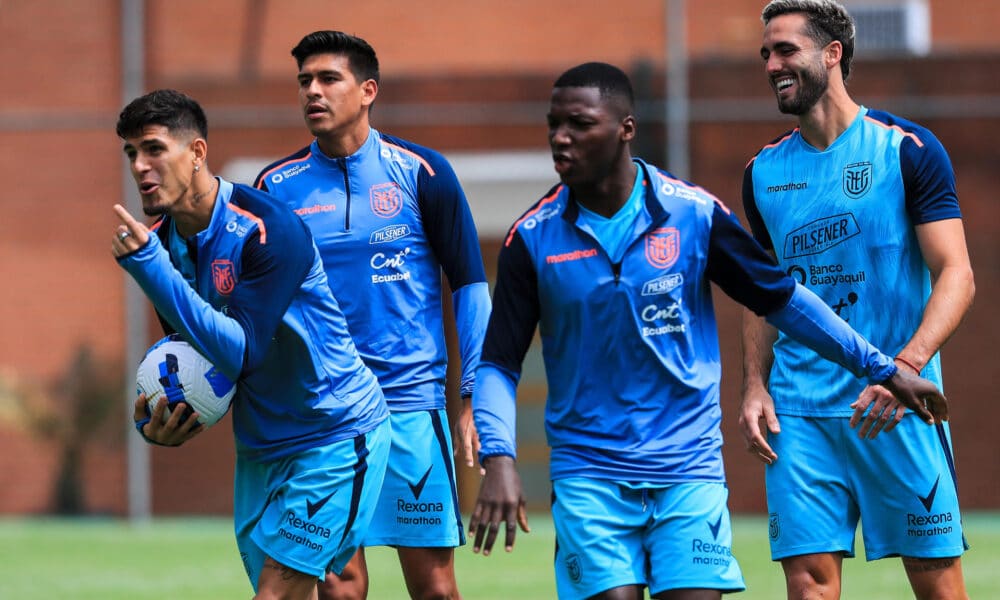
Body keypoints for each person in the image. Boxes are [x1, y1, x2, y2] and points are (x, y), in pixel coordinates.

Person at [468, 61, 950, 600]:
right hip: (590, 475)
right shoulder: (530, 239)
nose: (561, 138)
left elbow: (784, 300)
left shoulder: (694, 216)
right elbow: (498, 364)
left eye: (579, 124)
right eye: (553, 123)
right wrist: (500, 458)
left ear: (625, 128)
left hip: (688, 471)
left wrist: (884, 368)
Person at [112, 89, 391, 600]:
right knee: (329, 592)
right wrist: (162, 421)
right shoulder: (162, 246)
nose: (140, 166)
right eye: (131, 153)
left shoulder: (268, 229)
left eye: (153, 148)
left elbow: (241, 351)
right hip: (261, 450)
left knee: (275, 595)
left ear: (196, 153)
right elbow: (198, 358)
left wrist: (149, 268)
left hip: (334, 432)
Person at [740, 1, 976, 598]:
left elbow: (957, 274)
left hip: (897, 401)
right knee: (810, 586)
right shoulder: (763, 172)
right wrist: (754, 385)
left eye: (786, 50)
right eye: (766, 53)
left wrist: (907, 366)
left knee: (939, 587)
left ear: (832, 53)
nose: (772, 64)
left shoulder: (908, 150)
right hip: (799, 413)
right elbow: (761, 293)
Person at [253, 31, 491, 600]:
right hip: (327, 413)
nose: (313, 90)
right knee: (341, 588)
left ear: (367, 91)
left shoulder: (423, 173)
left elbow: (471, 285)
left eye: (327, 78)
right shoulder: (273, 189)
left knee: (435, 588)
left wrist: (472, 397)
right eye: (304, 81)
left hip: (411, 406)